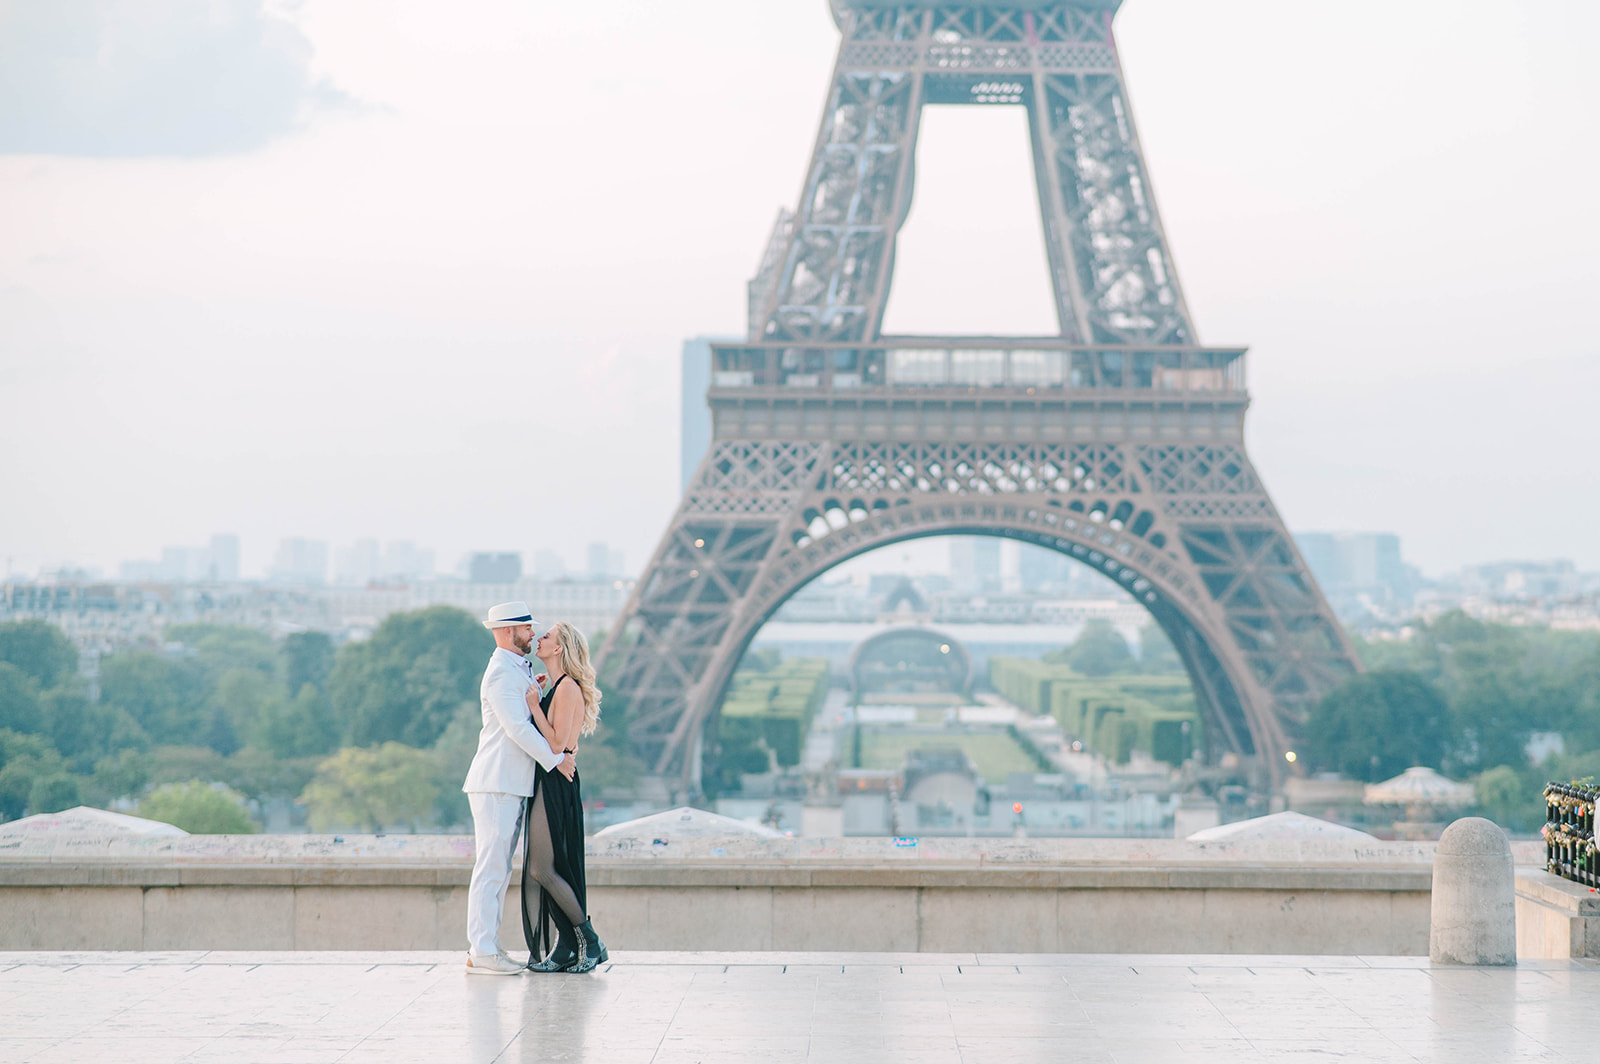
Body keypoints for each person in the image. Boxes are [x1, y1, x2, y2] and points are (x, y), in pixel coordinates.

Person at [461, 601, 575, 976]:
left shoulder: (513, 670)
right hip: (497, 783)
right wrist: (556, 760)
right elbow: (517, 729)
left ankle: (487, 947)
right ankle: (482, 950)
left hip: (507, 783)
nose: (533, 635)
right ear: (509, 632)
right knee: (491, 868)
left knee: (498, 869)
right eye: (528, 629)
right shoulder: (502, 674)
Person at [520, 620, 609, 973]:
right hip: (550, 777)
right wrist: (540, 698)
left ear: (558, 649)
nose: (540, 638)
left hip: (556, 782)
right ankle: (566, 947)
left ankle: (590, 940)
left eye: (547, 636)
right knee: (549, 867)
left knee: (543, 868)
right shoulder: (559, 686)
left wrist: (533, 706)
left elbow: (556, 744)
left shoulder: (569, 687)